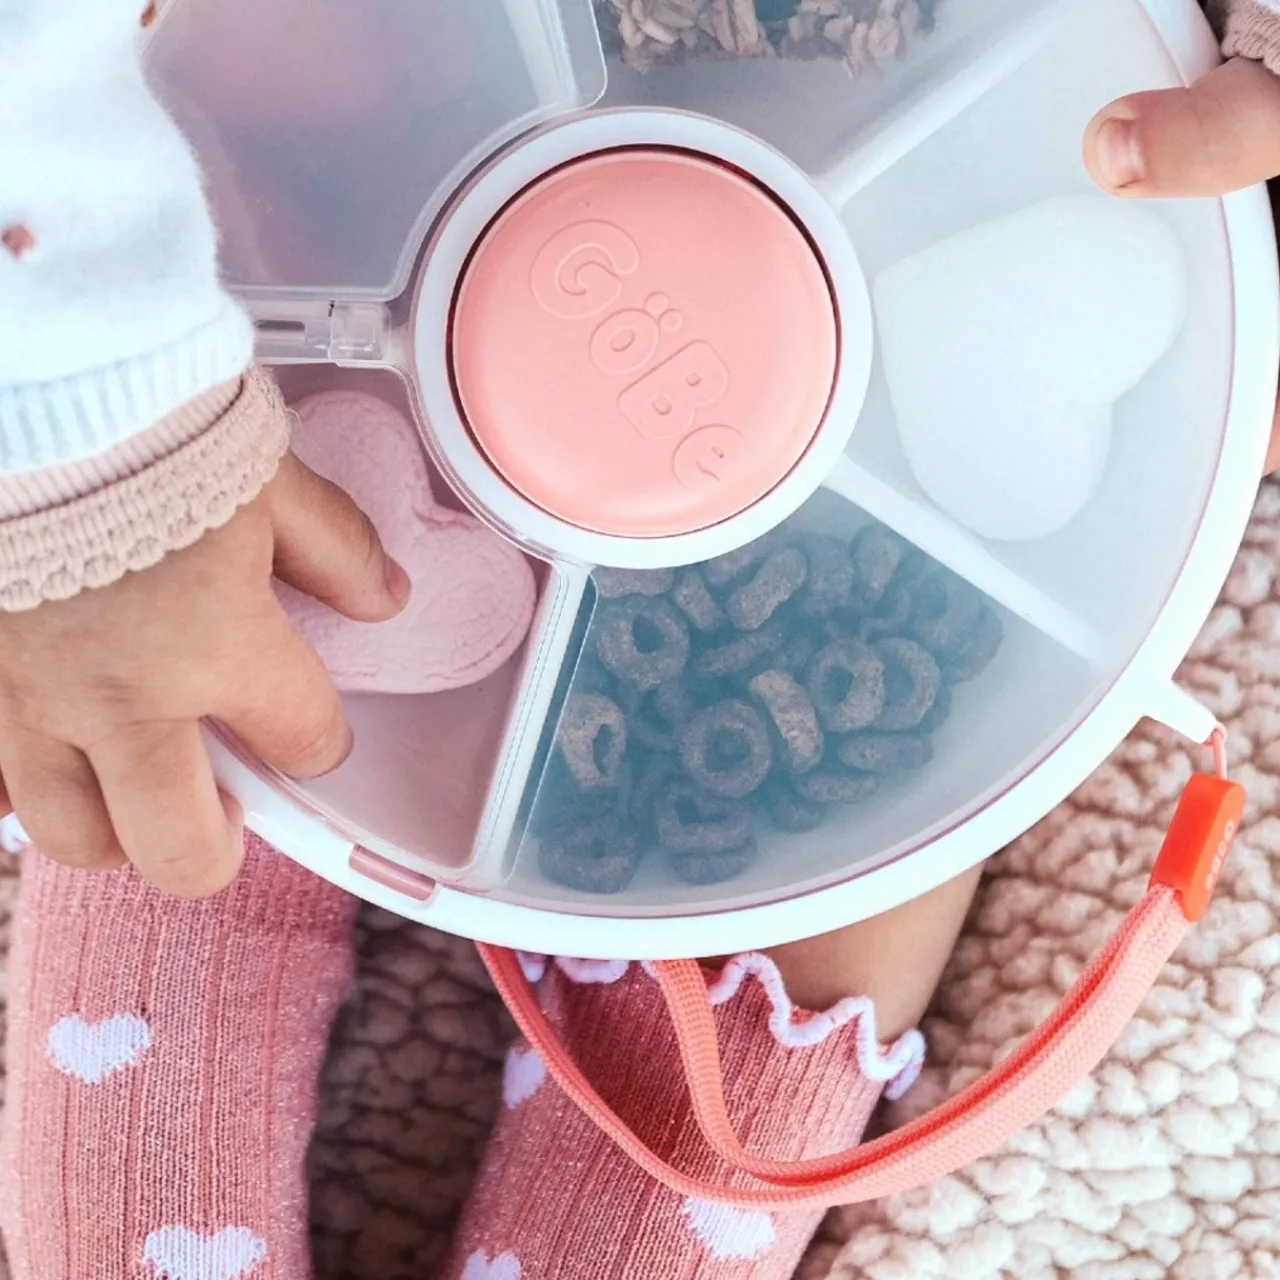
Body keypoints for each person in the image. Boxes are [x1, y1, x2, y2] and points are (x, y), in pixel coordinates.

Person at [0, 2, 1277, 1277]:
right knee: (178, 733)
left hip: (919, 255)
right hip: (312, 192)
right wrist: (89, 452)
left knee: (872, 806)